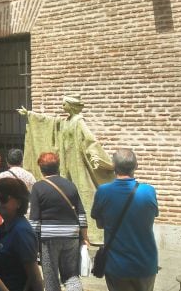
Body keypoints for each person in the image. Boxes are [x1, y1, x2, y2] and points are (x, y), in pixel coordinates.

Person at [18, 95, 114, 242]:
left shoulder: (78, 121)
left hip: (77, 162)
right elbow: (50, 121)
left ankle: (91, 233)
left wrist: (95, 156)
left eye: (64, 104)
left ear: (71, 105)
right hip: (66, 161)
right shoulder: (66, 121)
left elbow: (90, 139)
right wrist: (30, 114)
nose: (62, 107)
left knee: (82, 192)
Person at [91, 148, 158, 291]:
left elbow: (100, 224)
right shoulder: (149, 191)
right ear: (136, 166)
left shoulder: (103, 191)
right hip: (146, 263)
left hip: (117, 266)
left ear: (114, 167)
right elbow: (151, 218)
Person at [29, 153, 88, 291]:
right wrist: (85, 238)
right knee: (71, 274)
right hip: (71, 235)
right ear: (58, 167)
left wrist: (34, 242)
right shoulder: (70, 185)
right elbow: (81, 215)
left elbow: (35, 219)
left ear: (41, 169)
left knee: (51, 276)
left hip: (48, 238)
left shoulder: (38, 187)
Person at [0, 178, 43, 291]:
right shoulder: (2, 229)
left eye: (4, 198)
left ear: (19, 202)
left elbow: (34, 277)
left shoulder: (22, 231)